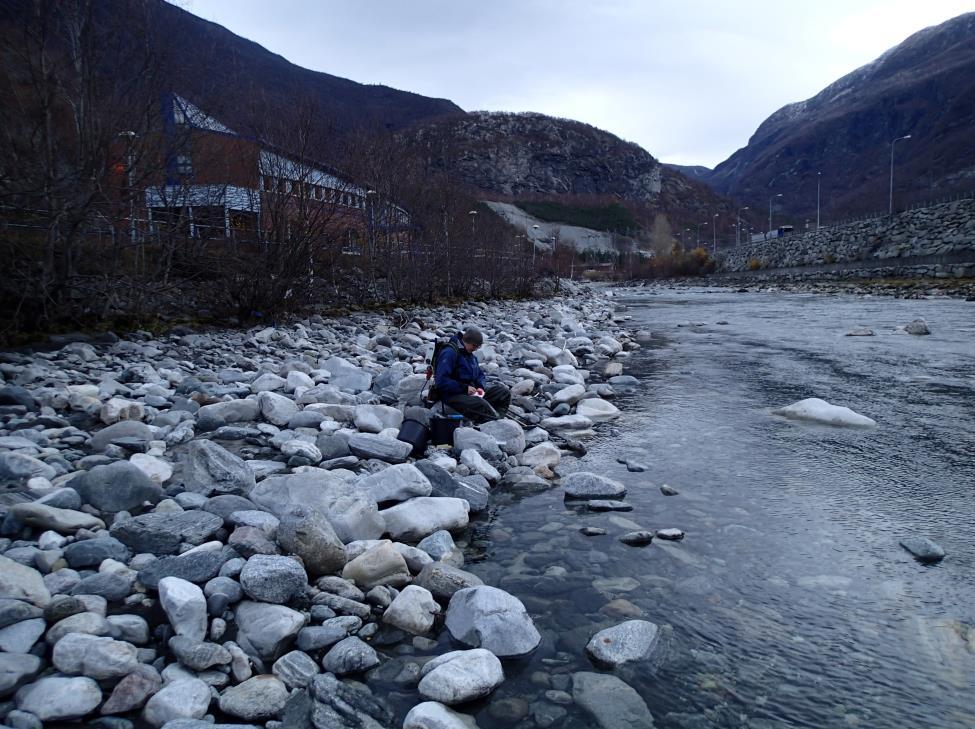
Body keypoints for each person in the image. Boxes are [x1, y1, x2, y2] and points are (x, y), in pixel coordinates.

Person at [435, 326, 511, 423]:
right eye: (474, 346)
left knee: (503, 392)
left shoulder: (469, 354)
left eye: (477, 347)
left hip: (471, 393)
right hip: (452, 396)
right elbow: (441, 381)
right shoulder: (450, 353)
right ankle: (494, 423)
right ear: (465, 341)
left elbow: (479, 374)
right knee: (480, 404)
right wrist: (464, 388)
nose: (475, 349)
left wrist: (480, 387)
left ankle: (497, 417)